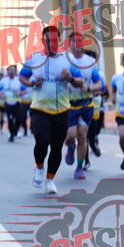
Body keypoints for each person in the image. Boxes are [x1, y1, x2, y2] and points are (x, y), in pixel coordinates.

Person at [19, 25, 83, 194]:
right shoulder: (34, 58)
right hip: (39, 108)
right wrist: (32, 83)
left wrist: (70, 78)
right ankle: (39, 167)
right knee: (42, 140)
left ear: (60, 40)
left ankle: (50, 180)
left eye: (55, 40)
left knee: (56, 147)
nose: (51, 43)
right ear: (43, 40)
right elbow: (22, 77)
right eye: (48, 40)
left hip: (61, 110)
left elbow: (80, 82)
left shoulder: (68, 59)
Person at [64, 32, 101, 180]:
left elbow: (98, 84)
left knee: (82, 135)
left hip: (86, 104)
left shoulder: (90, 62)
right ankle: (70, 147)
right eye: (74, 42)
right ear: (70, 44)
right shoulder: (65, 60)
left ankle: (79, 168)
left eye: (80, 42)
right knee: (70, 136)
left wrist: (89, 88)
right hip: (69, 104)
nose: (77, 45)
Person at [0, 65, 22, 142]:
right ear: (7, 71)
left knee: (19, 119)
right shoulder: (3, 80)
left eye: (13, 70)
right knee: (10, 119)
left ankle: (15, 131)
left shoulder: (19, 80)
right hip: (7, 102)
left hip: (17, 102)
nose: (11, 71)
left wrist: (20, 93)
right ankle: (11, 135)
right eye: (10, 70)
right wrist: (1, 95)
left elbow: (25, 90)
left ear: (15, 71)